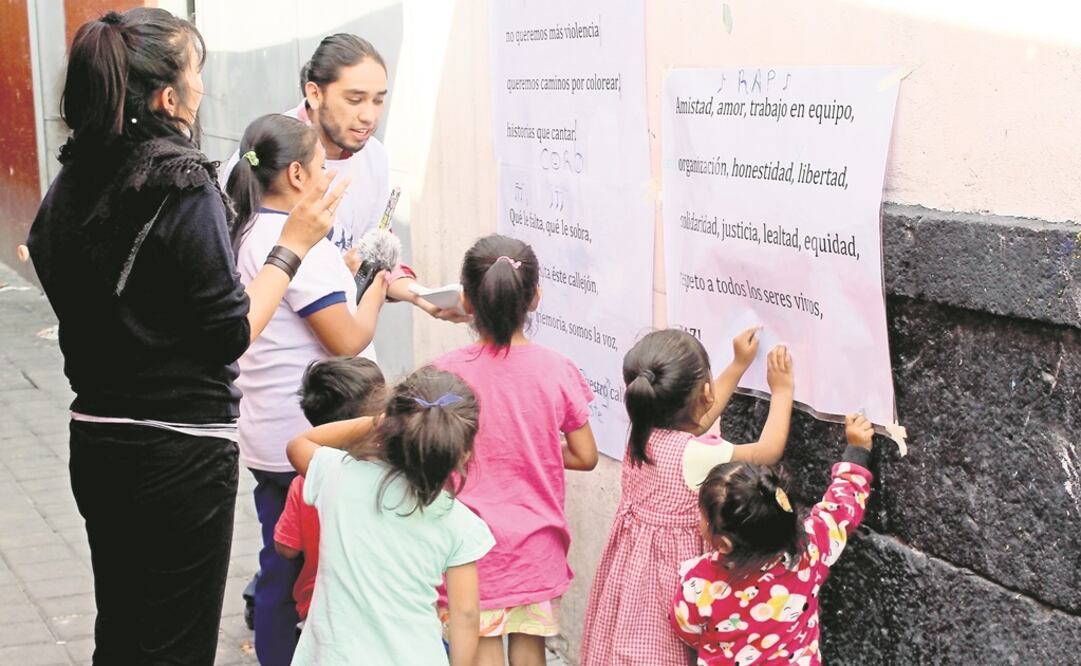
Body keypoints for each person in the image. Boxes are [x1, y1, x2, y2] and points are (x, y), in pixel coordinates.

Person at [25, 8, 342, 664]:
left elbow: (46, 254)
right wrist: (292, 247)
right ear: (169, 98)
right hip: (178, 454)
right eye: (196, 74)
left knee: (121, 634)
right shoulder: (179, 179)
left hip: (97, 439)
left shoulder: (71, 179)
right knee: (174, 645)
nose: (203, 88)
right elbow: (230, 332)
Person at [226, 113, 389, 666]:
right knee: (308, 568)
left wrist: (343, 270)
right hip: (310, 439)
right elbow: (346, 339)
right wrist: (377, 286)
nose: (327, 175)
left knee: (281, 557)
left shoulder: (250, 229)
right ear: (296, 174)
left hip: (267, 431)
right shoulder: (297, 241)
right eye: (321, 165)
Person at [580, 329, 795, 666]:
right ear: (705, 392)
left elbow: (699, 418)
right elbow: (768, 450)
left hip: (633, 574)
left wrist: (738, 366)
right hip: (672, 581)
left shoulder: (642, 431)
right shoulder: (696, 455)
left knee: (629, 648)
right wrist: (782, 391)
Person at [432, 234, 599, 666]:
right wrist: (536, 444)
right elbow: (584, 455)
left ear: (467, 302)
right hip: (535, 548)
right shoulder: (557, 369)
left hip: (469, 548)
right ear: (535, 298)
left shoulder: (444, 374)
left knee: (482, 651)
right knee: (530, 652)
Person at [220, 33, 464, 322]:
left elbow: (373, 251)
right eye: (355, 99)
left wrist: (420, 296)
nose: (368, 116)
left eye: (378, 101)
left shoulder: (374, 156)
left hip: (344, 349)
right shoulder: (263, 153)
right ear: (314, 94)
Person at [286, 366, 494, 665]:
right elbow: (465, 614)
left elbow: (299, 445)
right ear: (463, 454)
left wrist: (376, 422)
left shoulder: (341, 476)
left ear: (388, 426)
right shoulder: (460, 523)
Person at [671, 414, 876, 665]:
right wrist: (857, 450)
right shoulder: (810, 549)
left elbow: (686, 629)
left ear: (724, 543)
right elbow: (842, 506)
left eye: (702, 515)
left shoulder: (700, 581)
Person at [274, 357, 387, 632]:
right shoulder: (394, 478)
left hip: (323, 611)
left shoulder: (307, 479)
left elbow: (287, 548)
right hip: (386, 609)